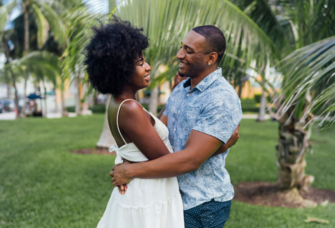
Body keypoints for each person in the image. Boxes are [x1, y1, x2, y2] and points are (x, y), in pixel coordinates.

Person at [111, 25, 242, 228]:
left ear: (211, 57)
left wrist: (131, 171)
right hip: (169, 195)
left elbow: (190, 160)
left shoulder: (220, 98)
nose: (179, 55)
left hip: (200, 203)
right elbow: (159, 132)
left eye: (189, 51)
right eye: (182, 47)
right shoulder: (181, 88)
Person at [83, 17, 185, 228]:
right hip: (149, 195)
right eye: (140, 64)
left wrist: (174, 94)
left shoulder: (122, 101)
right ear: (120, 69)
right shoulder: (129, 108)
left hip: (143, 191)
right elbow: (168, 162)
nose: (148, 67)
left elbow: (154, 130)